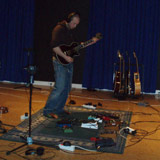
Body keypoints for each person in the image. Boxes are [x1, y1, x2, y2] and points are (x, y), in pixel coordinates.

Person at [43, 12, 99, 119]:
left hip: (68, 63)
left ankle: (59, 109)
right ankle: (48, 110)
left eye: (77, 24)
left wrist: (91, 41)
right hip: (60, 62)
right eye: (74, 23)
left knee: (67, 88)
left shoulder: (69, 31)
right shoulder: (58, 29)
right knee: (59, 87)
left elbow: (74, 47)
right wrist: (65, 57)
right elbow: (54, 47)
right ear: (68, 20)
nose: (75, 26)